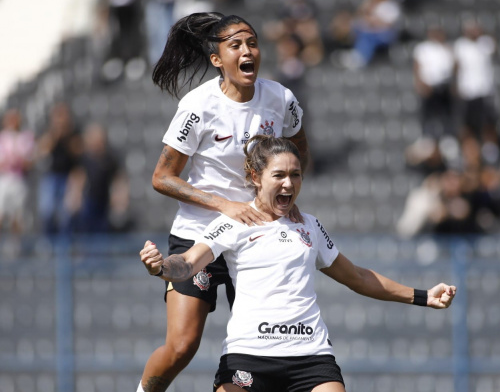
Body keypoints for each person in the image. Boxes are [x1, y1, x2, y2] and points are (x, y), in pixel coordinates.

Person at [140, 135, 456, 392]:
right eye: (278, 175)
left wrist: (422, 296)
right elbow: (189, 263)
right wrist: (161, 267)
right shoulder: (234, 222)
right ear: (256, 177)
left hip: (311, 356)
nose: (289, 184)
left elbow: (357, 276)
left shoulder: (310, 226)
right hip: (249, 355)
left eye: (295, 174)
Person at [137, 12, 310, 392]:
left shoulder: (281, 99)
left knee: (268, 347)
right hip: (199, 236)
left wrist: (286, 196)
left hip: (253, 239)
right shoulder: (198, 106)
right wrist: (223, 204)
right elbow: (161, 177)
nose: (247, 51)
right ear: (217, 59)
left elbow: (299, 147)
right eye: (236, 45)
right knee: (182, 347)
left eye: (252, 43)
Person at [36, 102, 82, 235]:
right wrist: (55, 133)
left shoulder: (74, 132)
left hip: (68, 177)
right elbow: (43, 150)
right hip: (51, 176)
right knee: (47, 211)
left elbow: (78, 152)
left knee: (66, 215)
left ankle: (63, 248)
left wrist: (66, 135)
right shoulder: (49, 132)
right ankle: (48, 243)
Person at [413, 25, 455, 138]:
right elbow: (417, 67)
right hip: (428, 86)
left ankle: (447, 138)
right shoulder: (423, 48)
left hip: (444, 85)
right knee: (428, 115)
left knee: (446, 115)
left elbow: (453, 67)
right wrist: (420, 84)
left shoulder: (447, 48)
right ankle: (426, 138)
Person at [0, 108, 35, 235]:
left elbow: (29, 162)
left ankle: (15, 248)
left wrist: (17, 159)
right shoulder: (2, 138)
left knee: (18, 216)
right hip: (4, 180)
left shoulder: (26, 137)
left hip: (19, 180)